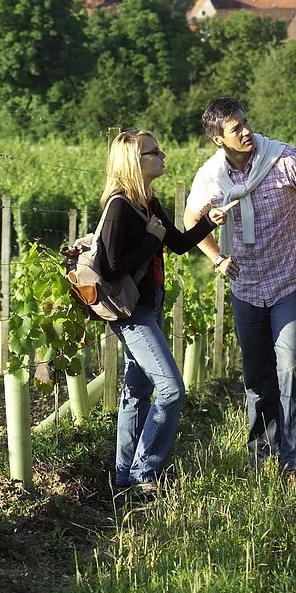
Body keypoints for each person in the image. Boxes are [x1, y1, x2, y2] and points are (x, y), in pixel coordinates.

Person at [184, 98, 296, 477]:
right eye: (236, 129)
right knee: (257, 375)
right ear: (219, 139)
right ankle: (263, 455)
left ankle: (295, 462)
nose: (246, 131)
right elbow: (191, 218)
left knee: (290, 366)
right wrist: (216, 256)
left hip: (289, 282)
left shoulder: (284, 160)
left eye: (246, 123)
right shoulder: (211, 178)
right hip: (246, 286)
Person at [99, 128, 235, 496]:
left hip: (151, 304)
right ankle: (146, 472)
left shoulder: (149, 203)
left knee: (136, 390)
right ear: (133, 162)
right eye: (153, 152)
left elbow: (176, 244)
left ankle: (124, 476)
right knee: (172, 389)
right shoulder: (118, 207)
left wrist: (209, 221)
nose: (162, 156)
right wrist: (149, 240)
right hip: (132, 313)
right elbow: (111, 268)